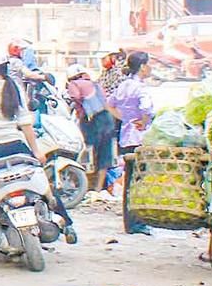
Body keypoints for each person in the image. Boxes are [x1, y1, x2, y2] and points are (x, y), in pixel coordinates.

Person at [0, 43, 73, 258]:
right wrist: (37, 151)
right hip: (16, 146)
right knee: (43, 184)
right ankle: (67, 223)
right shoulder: (13, 87)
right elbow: (25, 123)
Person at [108, 51, 156, 235]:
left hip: (125, 137)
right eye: (148, 64)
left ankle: (129, 222)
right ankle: (137, 223)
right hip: (139, 138)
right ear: (143, 67)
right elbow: (146, 108)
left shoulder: (123, 85)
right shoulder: (140, 88)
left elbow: (109, 104)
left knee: (129, 181)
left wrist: (124, 118)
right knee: (139, 181)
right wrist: (143, 121)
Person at [66, 63, 114, 198]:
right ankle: (98, 188)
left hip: (91, 121)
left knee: (84, 151)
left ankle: (83, 185)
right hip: (106, 119)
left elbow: (74, 97)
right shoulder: (96, 85)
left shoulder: (74, 84)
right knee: (104, 155)